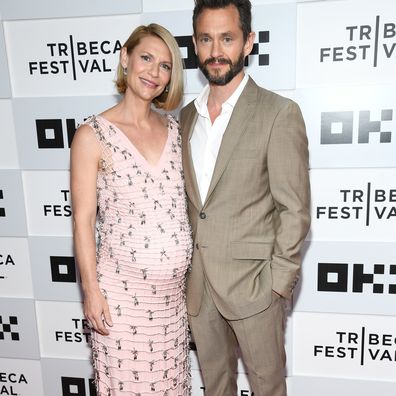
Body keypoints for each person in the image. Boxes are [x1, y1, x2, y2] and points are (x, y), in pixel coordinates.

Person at [179, 1, 311, 395]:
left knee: (267, 387)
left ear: (248, 42)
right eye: (206, 39)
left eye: (227, 38)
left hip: (256, 287)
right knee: (215, 388)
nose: (216, 51)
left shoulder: (278, 113)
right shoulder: (183, 119)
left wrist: (277, 284)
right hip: (199, 287)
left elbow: (295, 208)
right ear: (195, 45)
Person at [71, 24, 192, 396]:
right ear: (125, 58)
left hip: (173, 305)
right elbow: (83, 220)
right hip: (121, 306)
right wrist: (90, 290)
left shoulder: (177, 131)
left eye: (165, 66)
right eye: (146, 58)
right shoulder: (91, 136)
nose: (154, 72)